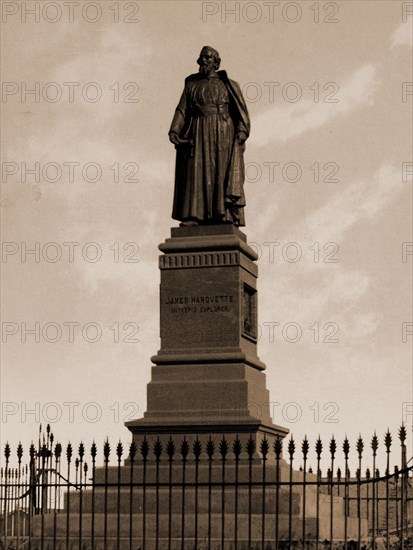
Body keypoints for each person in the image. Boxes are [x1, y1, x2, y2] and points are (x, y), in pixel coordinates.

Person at [169, 46, 250, 226]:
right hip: (197, 130)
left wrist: (242, 132)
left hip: (223, 133)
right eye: (202, 58)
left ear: (216, 62)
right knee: (196, 172)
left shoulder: (228, 84)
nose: (204, 61)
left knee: (220, 173)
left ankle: (223, 215)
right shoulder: (191, 84)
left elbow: (240, 113)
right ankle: (193, 215)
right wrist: (174, 129)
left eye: (208, 58)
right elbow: (182, 110)